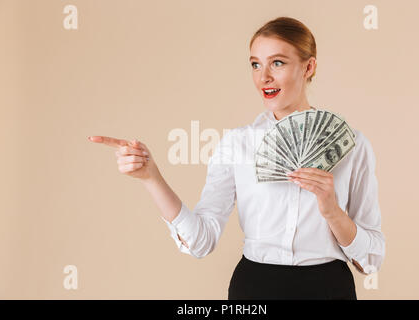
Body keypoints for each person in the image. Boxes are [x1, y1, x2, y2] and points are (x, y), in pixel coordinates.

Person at [88, 16, 385, 300]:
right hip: (256, 288)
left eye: (277, 63)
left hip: (329, 289)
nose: (263, 77)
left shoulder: (353, 147)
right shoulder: (237, 144)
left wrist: (332, 210)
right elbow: (201, 241)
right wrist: (151, 177)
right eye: (256, 65)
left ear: (309, 67)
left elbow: (370, 260)